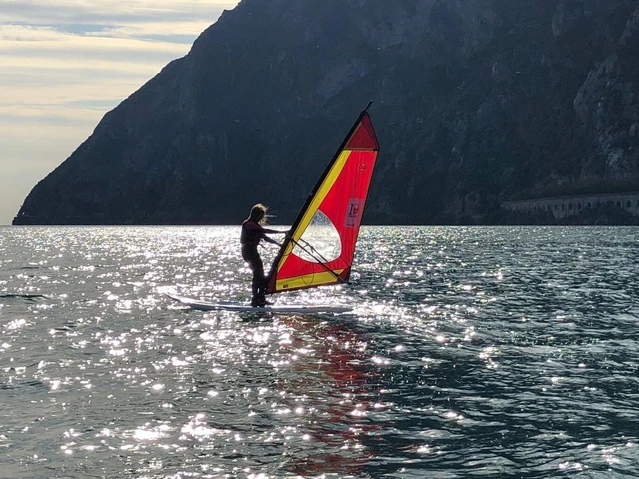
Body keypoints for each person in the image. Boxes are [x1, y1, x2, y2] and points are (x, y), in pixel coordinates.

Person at [241, 204, 288, 307]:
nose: (261, 218)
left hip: (253, 251)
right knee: (258, 275)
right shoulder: (248, 224)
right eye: (260, 216)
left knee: (260, 275)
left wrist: (279, 244)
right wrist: (281, 232)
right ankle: (255, 299)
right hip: (248, 252)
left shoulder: (256, 226)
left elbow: (265, 237)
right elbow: (263, 231)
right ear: (255, 215)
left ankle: (260, 298)